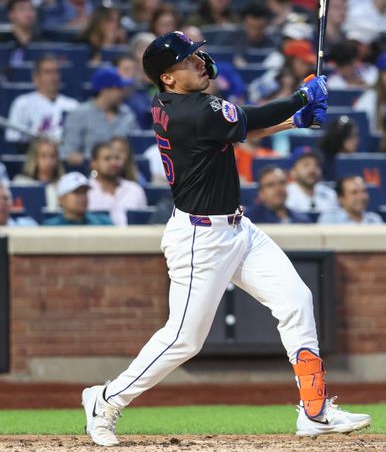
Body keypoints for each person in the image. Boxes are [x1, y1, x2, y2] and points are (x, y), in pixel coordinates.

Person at [81, 31, 369, 446]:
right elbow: (244, 118)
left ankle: (315, 410)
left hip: (238, 229)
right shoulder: (191, 111)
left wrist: (295, 121)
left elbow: (234, 130)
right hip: (201, 240)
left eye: (197, 54)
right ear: (168, 78)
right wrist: (301, 98)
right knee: (183, 340)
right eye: (188, 60)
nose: (199, 62)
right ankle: (105, 400)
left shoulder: (179, 104)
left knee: (296, 300)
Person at [61, 68, 137, 167]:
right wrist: (96, 164)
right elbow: (68, 153)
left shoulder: (127, 113)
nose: (122, 93)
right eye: (118, 88)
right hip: (89, 173)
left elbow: (137, 147)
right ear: (104, 90)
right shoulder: (79, 114)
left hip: (125, 172)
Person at [6, 55, 79, 147]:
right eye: (47, 72)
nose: (53, 77)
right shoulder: (23, 103)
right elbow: (13, 137)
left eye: (56, 72)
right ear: (36, 77)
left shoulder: (73, 105)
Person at [86, 141, 147, 226]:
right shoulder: (84, 191)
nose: (113, 163)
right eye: (107, 158)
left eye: (117, 158)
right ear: (94, 163)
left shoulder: (135, 190)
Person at [43, 172, 113, 226]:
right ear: (61, 199)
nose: (82, 197)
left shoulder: (104, 223)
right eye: (76, 192)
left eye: (84, 192)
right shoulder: (50, 226)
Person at [12, 137, 64, 210]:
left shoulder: (64, 184)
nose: (49, 161)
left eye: (53, 156)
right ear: (34, 158)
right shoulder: (20, 183)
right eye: (43, 156)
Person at [246, 166, 311, 224]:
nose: (278, 188)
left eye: (282, 183)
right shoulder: (249, 221)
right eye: (271, 185)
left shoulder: (302, 220)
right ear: (261, 193)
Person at [285, 146, 338, 213]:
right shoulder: (285, 194)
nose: (312, 169)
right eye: (306, 165)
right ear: (293, 171)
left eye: (317, 165)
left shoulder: (330, 194)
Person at [317, 175, 382, 225]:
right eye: (354, 193)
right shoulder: (330, 220)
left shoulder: (374, 220)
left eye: (363, 191)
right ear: (340, 198)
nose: (361, 197)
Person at [317, 115, 359, 181]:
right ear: (340, 138)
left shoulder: (357, 162)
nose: (356, 141)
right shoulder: (322, 162)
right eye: (352, 136)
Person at [4, 0, 41, 66]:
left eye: (31, 9)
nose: (28, 13)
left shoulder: (41, 45)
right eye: (22, 9)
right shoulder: (3, 43)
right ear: (11, 15)